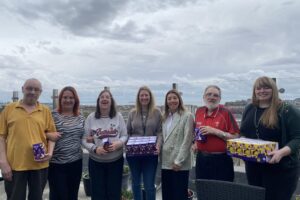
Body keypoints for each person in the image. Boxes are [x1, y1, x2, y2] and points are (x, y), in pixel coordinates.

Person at [240, 76, 300, 200]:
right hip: (254, 168)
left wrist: (281, 153)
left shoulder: (287, 109)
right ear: (254, 91)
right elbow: (244, 133)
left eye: (266, 87)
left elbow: (297, 137)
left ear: (274, 89)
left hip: (280, 169)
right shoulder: (249, 108)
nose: (262, 91)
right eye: (258, 88)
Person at [0, 78, 56, 200]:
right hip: (15, 165)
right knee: (14, 197)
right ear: (22, 89)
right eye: (29, 88)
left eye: (36, 89)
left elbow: (52, 134)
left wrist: (50, 153)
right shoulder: (9, 109)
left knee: (36, 197)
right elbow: (1, 137)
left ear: (40, 92)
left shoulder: (45, 111)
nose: (32, 92)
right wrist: (3, 162)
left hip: (40, 164)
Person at [82, 89, 128, 200]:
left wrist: (119, 143)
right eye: (102, 97)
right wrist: (94, 148)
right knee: (98, 194)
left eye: (107, 97)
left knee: (114, 193)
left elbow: (125, 136)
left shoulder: (118, 116)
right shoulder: (91, 118)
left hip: (115, 162)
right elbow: (84, 139)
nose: (104, 99)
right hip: (96, 163)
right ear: (98, 101)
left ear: (111, 101)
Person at [193, 85, 239, 181]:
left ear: (219, 99)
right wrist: (195, 143)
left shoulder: (226, 113)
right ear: (204, 97)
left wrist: (215, 131)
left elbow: (236, 137)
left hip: (221, 159)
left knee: (222, 192)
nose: (212, 97)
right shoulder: (199, 111)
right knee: (203, 189)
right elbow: (196, 131)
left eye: (215, 95)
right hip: (201, 158)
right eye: (209, 94)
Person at [47, 86, 85, 200]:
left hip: (76, 162)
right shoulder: (52, 115)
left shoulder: (80, 117)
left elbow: (83, 137)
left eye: (71, 97)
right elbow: (39, 132)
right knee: (58, 195)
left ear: (75, 100)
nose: (68, 100)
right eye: (65, 97)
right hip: (56, 164)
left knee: (73, 194)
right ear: (60, 99)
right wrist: (47, 135)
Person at [126, 86, 162, 200]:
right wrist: (126, 146)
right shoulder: (132, 113)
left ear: (150, 97)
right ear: (138, 97)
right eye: (142, 95)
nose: (144, 97)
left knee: (149, 185)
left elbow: (160, 132)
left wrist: (158, 146)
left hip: (150, 154)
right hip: (134, 154)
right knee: (135, 184)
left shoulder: (157, 112)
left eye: (146, 95)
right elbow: (127, 132)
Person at [161, 89, 194, 200]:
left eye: (174, 98)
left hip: (179, 163)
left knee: (179, 195)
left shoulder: (187, 116)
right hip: (166, 162)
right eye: (169, 99)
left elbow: (187, 140)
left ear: (179, 100)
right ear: (166, 101)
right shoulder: (165, 117)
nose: (172, 101)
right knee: (167, 194)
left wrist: (179, 161)